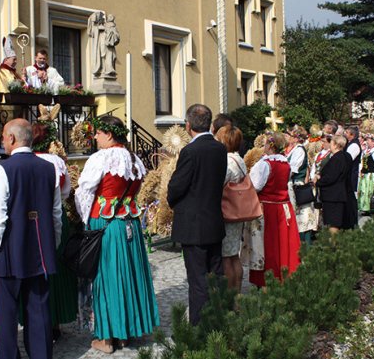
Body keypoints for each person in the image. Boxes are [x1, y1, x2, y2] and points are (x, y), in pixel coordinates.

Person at [75, 116, 159, 352]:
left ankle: (106, 339)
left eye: (98, 133)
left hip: (105, 223)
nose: (95, 137)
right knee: (128, 274)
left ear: (109, 135)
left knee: (106, 277)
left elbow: (84, 191)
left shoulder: (101, 158)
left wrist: (84, 220)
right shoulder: (134, 160)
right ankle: (123, 334)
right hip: (129, 222)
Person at [0, 119, 62, 359]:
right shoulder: (49, 168)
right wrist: (52, 245)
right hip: (40, 249)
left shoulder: (3, 169)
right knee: (38, 308)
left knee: (5, 313)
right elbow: (55, 213)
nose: (3, 141)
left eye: (4, 136)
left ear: (13, 139)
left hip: (10, 251)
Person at [168, 104, 227, 325]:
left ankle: (200, 328)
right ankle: (219, 320)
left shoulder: (190, 151)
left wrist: (172, 202)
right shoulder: (220, 148)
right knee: (215, 275)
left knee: (198, 279)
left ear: (188, 125)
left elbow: (176, 186)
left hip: (193, 223)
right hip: (213, 219)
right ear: (210, 125)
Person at [31, 122, 76, 339]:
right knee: (57, 269)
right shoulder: (57, 162)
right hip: (55, 216)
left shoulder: (24, 162)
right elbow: (65, 191)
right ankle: (56, 320)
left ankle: (34, 320)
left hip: (31, 220)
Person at [247, 132, 301, 287]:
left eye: (264, 144)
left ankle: (267, 279)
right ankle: (284, 274)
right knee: (282, 243)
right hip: (284, 208)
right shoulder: (286, 163)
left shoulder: (264, 164)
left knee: (267, 245)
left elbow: (255, 186)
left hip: (267, 208)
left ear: (270, 146)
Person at [214, 125, 247, 292]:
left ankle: (230, 296)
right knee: (235, 255)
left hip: (227, 212)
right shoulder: (239, 159)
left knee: (227, 257)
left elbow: (218, 184)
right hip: (238, 211)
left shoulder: (227, 161)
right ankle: (238, 294)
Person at [286, 126, 317, 244]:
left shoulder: (299, 150)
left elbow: (292, 170)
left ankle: (306, 244)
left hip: (297, 185)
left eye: (290, 135)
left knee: (304, 215)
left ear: (296, 138)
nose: (288, 137)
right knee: (298, 216)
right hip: (293, 184)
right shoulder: (294, 150)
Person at [316, 136, 351, 233]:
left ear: (335, 145)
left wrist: (318, 181)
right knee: (334, 221)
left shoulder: (337, 158)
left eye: (331, 143)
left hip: (333, 195)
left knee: (333, 222)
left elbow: (330, 177)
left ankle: (333, 245)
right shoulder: (344, 156)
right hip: (337, 194)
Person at [343, 126, 361, 229]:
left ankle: (353, 222)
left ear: (352, 135)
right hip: (349, 175)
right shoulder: (350, 144)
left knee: (351, 199)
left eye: (347, 133)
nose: (345, 134)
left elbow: (348, 159)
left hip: (351, 175)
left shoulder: (354, 145)